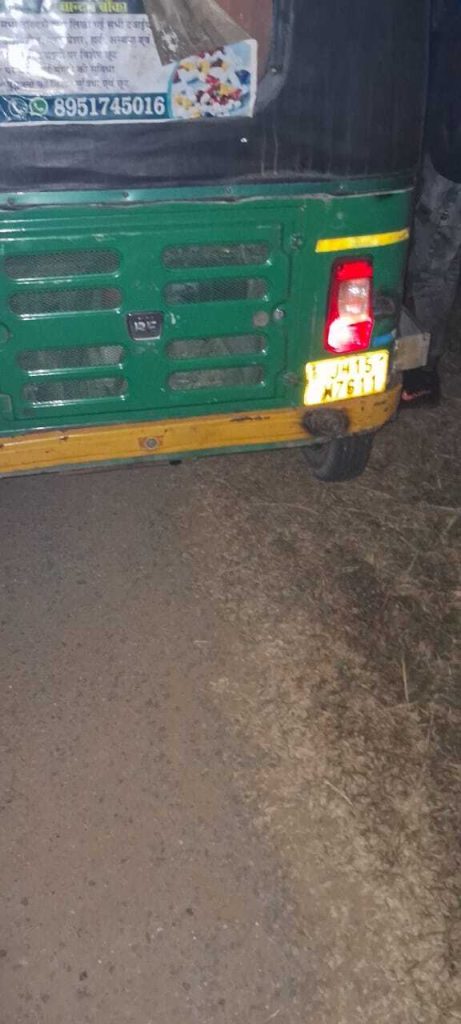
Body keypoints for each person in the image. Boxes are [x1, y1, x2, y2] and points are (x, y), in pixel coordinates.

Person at [402, 0, 461, 407]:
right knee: (435, 263)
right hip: (442, 146)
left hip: (450, 157)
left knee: (433, 266)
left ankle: (422, 373)